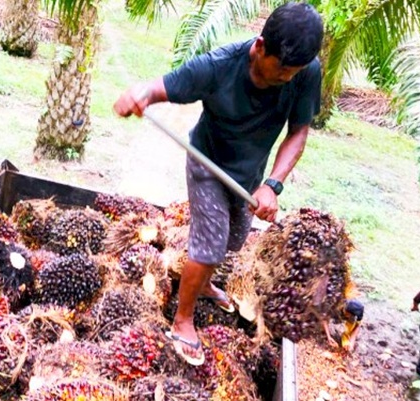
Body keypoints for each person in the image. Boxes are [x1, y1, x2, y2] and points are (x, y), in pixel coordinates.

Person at [113, 2, 324, 366]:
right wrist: (139, 94)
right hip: (207, 164)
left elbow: (298, 132)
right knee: (209, 245)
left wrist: (272, 185)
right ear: (259, 47)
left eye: (295, 72)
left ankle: (202, 283)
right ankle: (182, 320)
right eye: (282, 70)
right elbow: (164, 86)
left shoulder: (305, 72)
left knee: (233, 239)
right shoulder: (218, 66)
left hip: (249, 176)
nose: (288, 78)